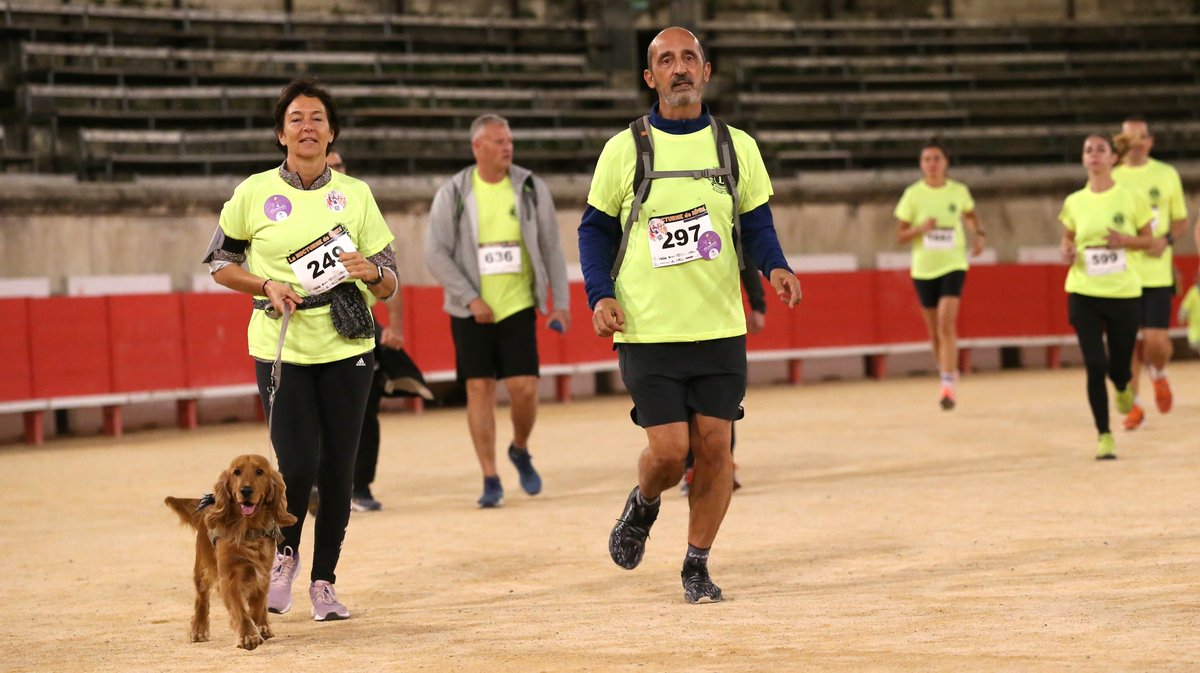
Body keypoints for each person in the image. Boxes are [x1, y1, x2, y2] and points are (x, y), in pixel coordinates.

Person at [578, 27, 801, 604]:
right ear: (649, 77)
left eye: (688, 58)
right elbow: (595, 231)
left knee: (715, 449)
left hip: (720, 326)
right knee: (671, 452)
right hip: (648, 328)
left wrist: (776, 268)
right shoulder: (624, 149)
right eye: (665, 60)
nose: (679, 68)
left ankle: (696, 564)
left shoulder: (737, 147)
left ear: (706, 70)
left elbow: (756, 225)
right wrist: (600, 295)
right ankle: (644, 502)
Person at [202, 78, 399, 621]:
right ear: (280, 133)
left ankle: (325, 582)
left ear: (331, 131)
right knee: (296, 465)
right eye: (296, 119)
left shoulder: (356, 195)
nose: (307, 127)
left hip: (348, 344)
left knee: (339, 469)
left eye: (317, 118)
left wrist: (372, 271)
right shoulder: (254, 192)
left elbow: (389, 283)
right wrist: (266, 286)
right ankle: (284, 559)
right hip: (280, 345)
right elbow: (219, 264)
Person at [424, 114, 570, 508]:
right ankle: (490, 476)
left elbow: (553, 248)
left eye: (509, 140)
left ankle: (519, 447)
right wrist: (470, 297)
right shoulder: (453, 193)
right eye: (498, 141)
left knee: (524, 388)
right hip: (470, 310)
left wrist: (561, 303)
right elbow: (434, 253)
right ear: (478, 148)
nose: (507, 147)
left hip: (519, 303)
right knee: (479, 388)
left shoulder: (529, 187)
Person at [305, 151, 405, 514]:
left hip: (361, 322)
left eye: (340, 163)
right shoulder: (299, 213)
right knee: (313, 411)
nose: (334, 167)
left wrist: (395, 326)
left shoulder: (358, 207)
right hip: (309, 320)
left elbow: (391, 272)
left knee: (366, 411)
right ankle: (319, 482)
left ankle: (360, 485)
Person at [1058, 134, 1155, 460]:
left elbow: (1150, 242)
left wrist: (1123, 240)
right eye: (1088, 150)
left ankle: (1124, 386)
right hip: (1083, 291)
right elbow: (1068, 239)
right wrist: (1067, 250)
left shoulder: (1131, 198)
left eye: (1101, 149)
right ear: (1083, 160)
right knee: (1095, 364)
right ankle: (1104, 435)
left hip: (1124, 293)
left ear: (1113, 158)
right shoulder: (1074, 201)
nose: (1094, 154)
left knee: (1118, 366)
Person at [893, 141, 987, 411]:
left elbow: (970, 215)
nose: (932, 164)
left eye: (936, 158)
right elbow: (900, 235)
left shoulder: (958, 191)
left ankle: (948, 385)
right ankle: (946, 372)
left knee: (947, 323)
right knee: (934, 330)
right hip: (923, 268)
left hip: (953, 263)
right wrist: (920, 228)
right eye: (927, 159)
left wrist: (978, 234)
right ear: (921, 164)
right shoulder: (913, 195)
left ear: (946, 162)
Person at [1110, 117, 1189, 430]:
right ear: (1122, 141)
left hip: (1156, 273)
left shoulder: (1166, 174)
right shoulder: (1112, 178)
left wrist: (1165, 241)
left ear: (1150, 141)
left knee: (1156, 342)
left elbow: (1180, 221)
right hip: (1122, 274)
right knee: (1126, 344)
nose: (1137, 143)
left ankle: (1159, 373)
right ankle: (1135, 407)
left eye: (1142, 137)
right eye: (1131, 137)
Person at [680, 260, 764, 494]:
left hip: (718, 325)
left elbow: (744, 256)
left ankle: (723, 461)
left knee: (721, 402)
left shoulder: (726, 223)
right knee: (683, 401)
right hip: (669, 326)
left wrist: (757, 304)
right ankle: (691, 467)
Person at [1178, 279, 1200, 353]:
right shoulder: (1193, 292)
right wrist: (1182, 316)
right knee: (1195, 343)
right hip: (1195, 328)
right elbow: (1185, 306)